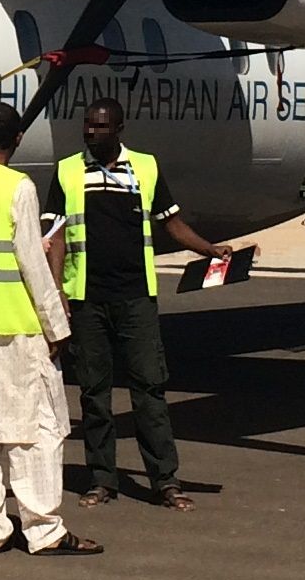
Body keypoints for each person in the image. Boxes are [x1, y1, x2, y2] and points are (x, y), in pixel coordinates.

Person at [0, 101, 96, 557]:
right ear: (19, 139)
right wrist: (57, 325)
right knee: (36, 429)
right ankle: (43, 529)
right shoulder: (18, 187)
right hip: (16, 325)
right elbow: (31, 259)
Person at [53, 97, 225, 509]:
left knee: (149, 390)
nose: (91, 134)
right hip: (88, 299)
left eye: (99, 127)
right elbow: (55, 236)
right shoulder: (67, 171)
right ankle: (102, 480)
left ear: (119, 129)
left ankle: (165, 481)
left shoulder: (144, 168)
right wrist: (57, 291)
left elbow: (173, 223)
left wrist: (211, 249)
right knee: (94, 394)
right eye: (87, 127)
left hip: (135, 299)